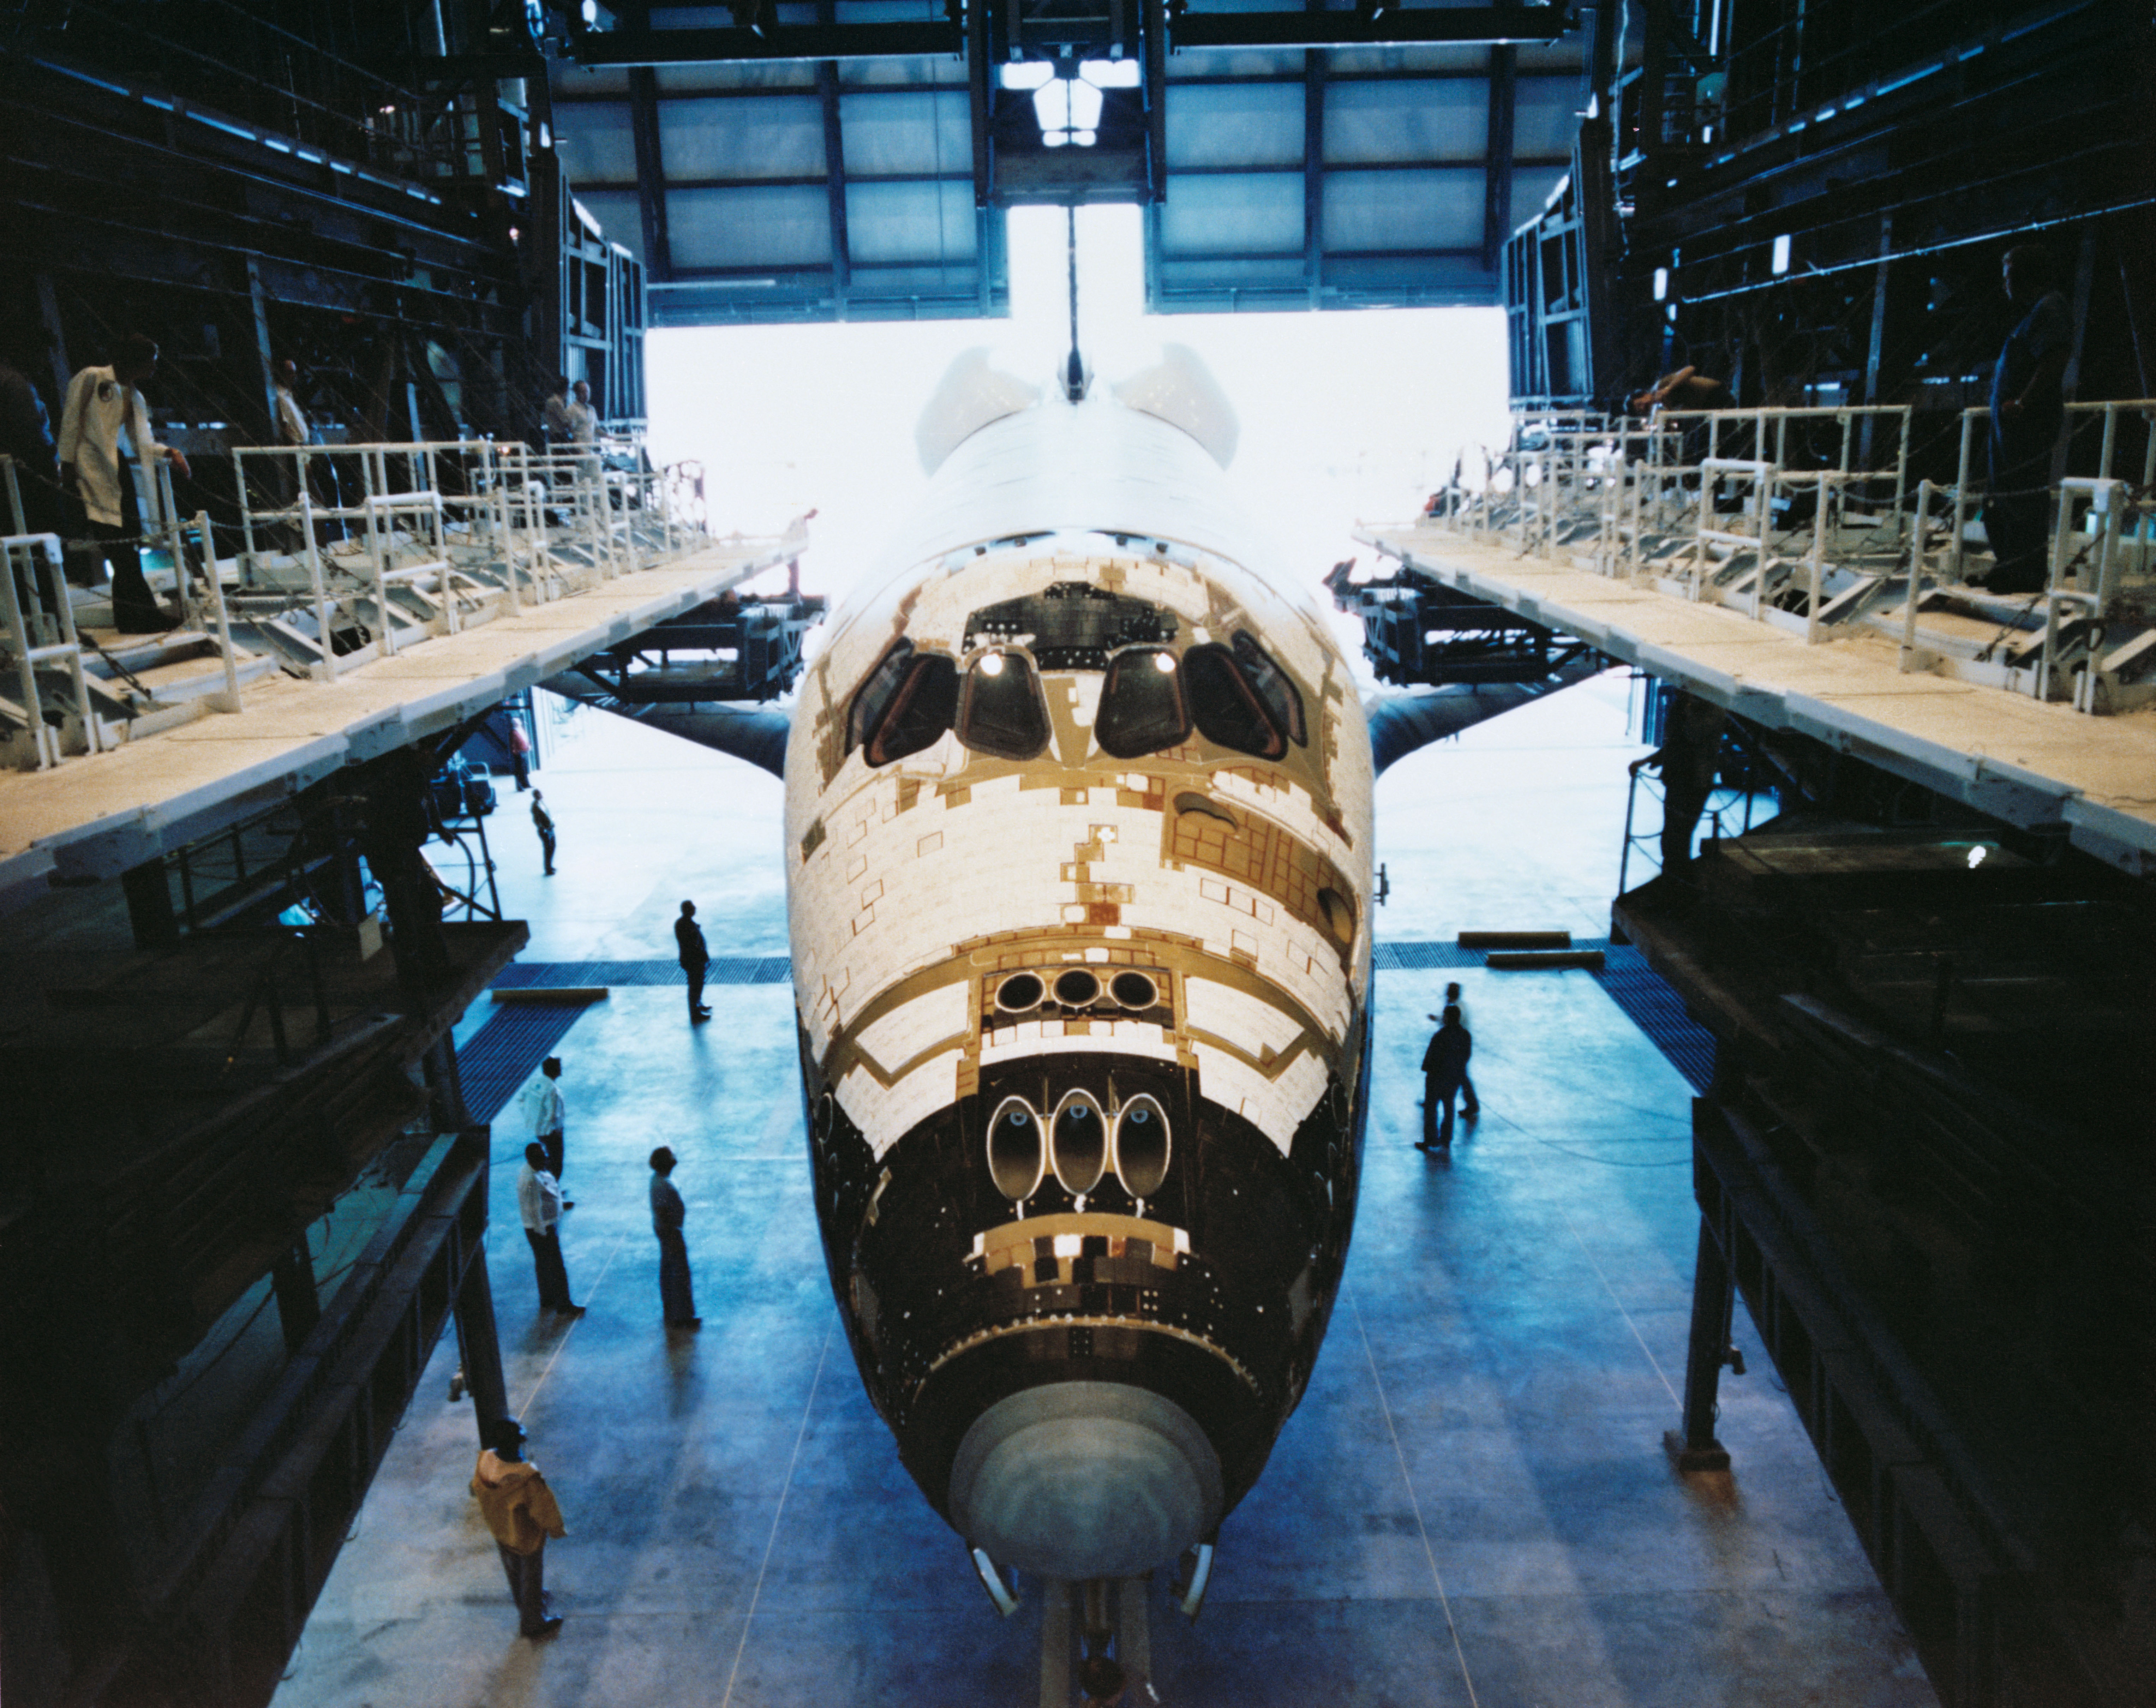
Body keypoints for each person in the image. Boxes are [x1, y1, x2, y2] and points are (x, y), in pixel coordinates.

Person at [56, 333, 191, 632]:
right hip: (89, 469)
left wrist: (168, 451)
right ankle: (144, 616)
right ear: (137, 359)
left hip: (116, 470)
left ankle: (131, 618)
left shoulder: (134, 396)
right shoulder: (92, 378)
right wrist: (67, 465)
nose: (155, 367)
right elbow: (71, 420)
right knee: (117, 548)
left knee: (127, 544)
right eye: (152, 361)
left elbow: (141, 441)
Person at [1983, 245, 2071, 595]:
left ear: (2021, 275)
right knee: (2002, 495)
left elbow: (2056, 355)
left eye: (2007, 275)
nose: (2004, 283)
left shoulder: (2051, 307)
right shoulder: (2033, 312)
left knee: (2022, 497)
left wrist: (2023, 401)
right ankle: (2007, 568)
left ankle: (2025, 574)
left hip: (2027, 425)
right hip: (2010, 427)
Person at [470, 1417, 567, 1638]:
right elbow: (544, 1509)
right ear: (518, 1443)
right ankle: (533, 1623)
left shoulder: (485, 1460)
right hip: (525, 1536)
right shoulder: (526, 1477)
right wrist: (556, 1529)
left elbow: (476, 1487)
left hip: (501, 1529)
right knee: (531, 1576)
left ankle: (526, 1604)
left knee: (514, 1573)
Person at [516, 1141, 581, 1314]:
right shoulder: (530, 1181)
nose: (546, 1161)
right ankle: (564, 1305)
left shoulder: (532, 1171)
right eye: (542, 1159)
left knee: (543, 1263)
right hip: (541, 1229)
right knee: (556, 1266)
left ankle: (547, 1299)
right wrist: (544, 1232)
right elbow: (532, 1208)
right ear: (535, 1161)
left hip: (540, 1227)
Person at [649, 1147, 699, 1327]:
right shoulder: (665, 1185)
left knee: (669, 1270)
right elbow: (664, 1212)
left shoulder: (657, 1180)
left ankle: (671, 1311)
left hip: (665, 1230)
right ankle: (682, 1316)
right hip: (671, 1231)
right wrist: (674, 1233)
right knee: (680, 1273)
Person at [1419, 1005, 1472, 1152]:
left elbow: (1431, 1057)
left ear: (1447, 1018)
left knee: (1431, 1109)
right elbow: (1466, 1057)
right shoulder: (1466, 1035)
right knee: (1449, 1107)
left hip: (1436, 1078)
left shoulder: (1440, 1035)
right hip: (1454, 1079)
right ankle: (1446, 1139)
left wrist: (1428, 1071)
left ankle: (1430, 1140)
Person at [1429, 982, 1481, 1119]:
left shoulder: (1456, 1008)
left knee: (1462, 1078)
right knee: (1463, 1077)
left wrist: (1439, 1019)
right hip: (1460, 1047)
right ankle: (1472, 1104)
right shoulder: (1459, 1005)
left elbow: (1450, 1022)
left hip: (1455, 1048)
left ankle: (1473, 1105)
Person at [528, 1055, 569, 1198]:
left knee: (551, 1162)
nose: (561, 1070)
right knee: (556, 1164)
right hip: (552, 1133)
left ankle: (552, 1190)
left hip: (543, 1132)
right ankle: (552, 1194)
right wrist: (556, 1131)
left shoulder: (540, 1086)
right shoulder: (551, 1090)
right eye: (559, 1068)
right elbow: (552, 1114)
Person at [675, 900, 711, 1023]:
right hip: (694, 961)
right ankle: (695, 1012)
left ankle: (698, 1005)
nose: (695, 909)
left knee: (698, 984)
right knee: (695, 986)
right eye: (693, 907)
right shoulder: (687, 925)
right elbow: (693, 945)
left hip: (693, 960)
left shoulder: (684, 923)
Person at [541, 376, 574, 446]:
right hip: (558, 436)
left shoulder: (556, 400)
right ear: (565, 389)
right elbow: (566, 421)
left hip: (556, 435)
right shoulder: (556, 401)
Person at [531, 788, 556, 876]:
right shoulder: (535, 806)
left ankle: (550, 866)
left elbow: (547, 815)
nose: (541, 795)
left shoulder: (541, 803)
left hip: (550, 828)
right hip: (545, 831)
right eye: (539, 794)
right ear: (536, 796)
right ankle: (548, 869)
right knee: (548, 849)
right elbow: (536, 820)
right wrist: (542, 827)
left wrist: (552, 823)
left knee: (552, 847)